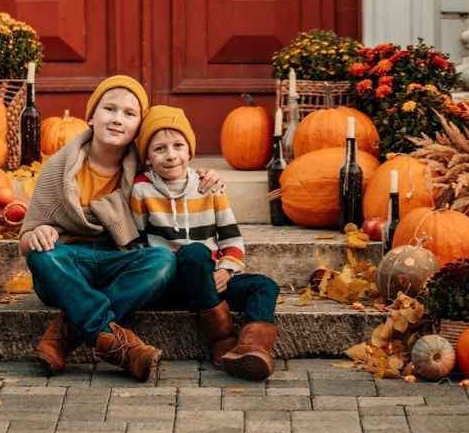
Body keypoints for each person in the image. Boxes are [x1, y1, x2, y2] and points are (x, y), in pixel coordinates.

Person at [19, 76, 225, 382]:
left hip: (118, 263)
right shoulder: (58, 169)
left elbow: (180, 172)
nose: (117, 119)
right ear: (91, 117)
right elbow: (25, 240)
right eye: (109, 109)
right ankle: (120, 346)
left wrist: (204, 176)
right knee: (42, 256)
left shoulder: (145, 170)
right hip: (68, 265)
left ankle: (67, 332)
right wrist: (36, 235)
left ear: (138, 128)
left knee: (162, 260)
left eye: (129, 114)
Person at [130, 104, 280, 382]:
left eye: (178, 146)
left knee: (265, 285)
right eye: (160, 149)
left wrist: (225, 271)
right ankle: (222, 340)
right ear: (147, 158)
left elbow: (232, 240)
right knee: (195, 251)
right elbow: (136, 245)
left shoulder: (209, 187)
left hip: (210, 281)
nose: (171, 155)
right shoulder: (141, 189)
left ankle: (252, 349)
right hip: (170, 286)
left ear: (190, 151)